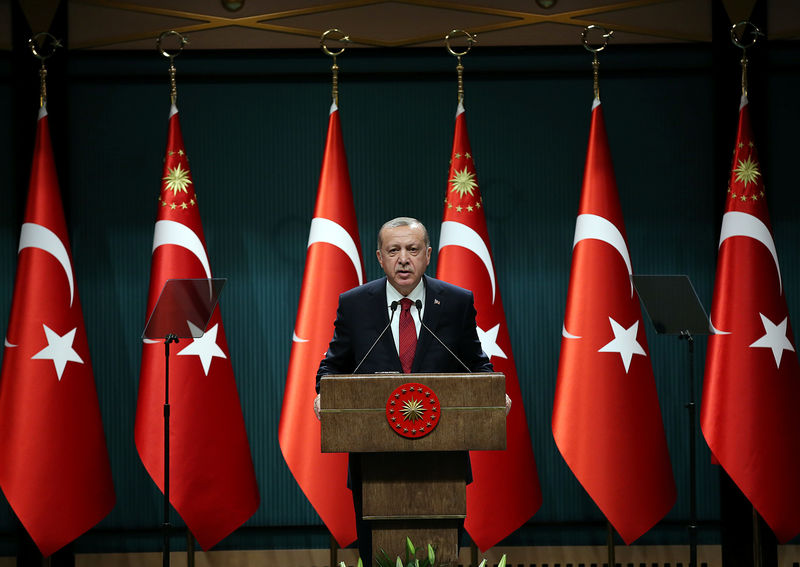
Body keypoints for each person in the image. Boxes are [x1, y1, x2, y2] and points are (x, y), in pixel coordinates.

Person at [314, 216, 501, 564]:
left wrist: (492, 391)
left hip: (442, 463)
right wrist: (323, 393)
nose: (404, 259)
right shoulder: (355, 304)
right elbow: (332, 368)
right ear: (380, 258)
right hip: (374, 465)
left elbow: (476, 364)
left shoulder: (457, 302)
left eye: (413, 250)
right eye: (394, 250)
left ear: (428, 255)